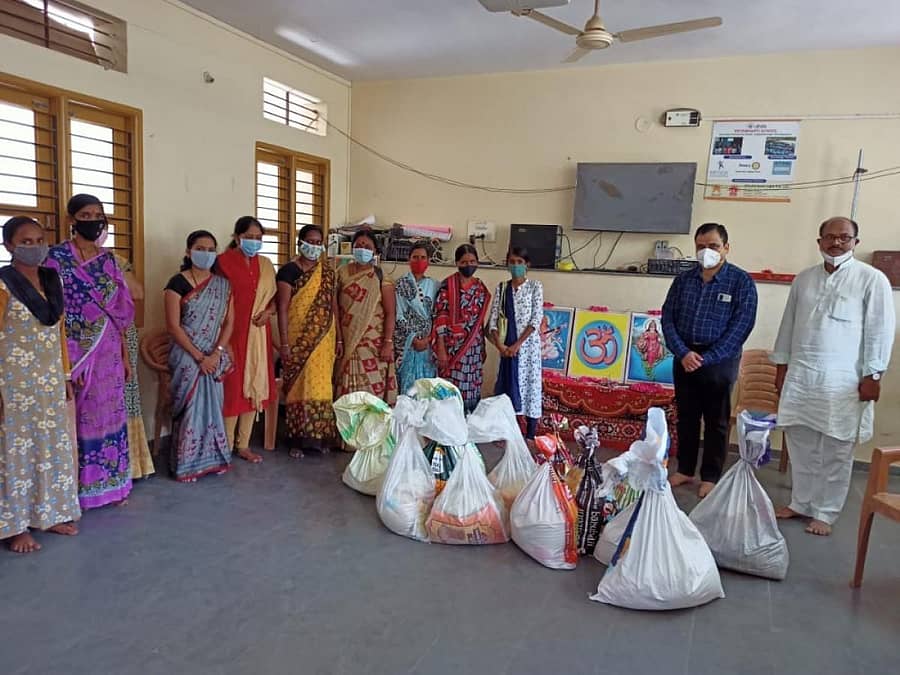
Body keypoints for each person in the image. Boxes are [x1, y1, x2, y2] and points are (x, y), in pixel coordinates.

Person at [772, 217, 895, 536]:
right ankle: (801, 502)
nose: (836, 243)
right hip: (802, 375)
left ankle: (826, 512)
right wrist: (781, 366)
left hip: (844, 381)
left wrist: (874, 374)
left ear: (855, 242)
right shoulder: (804, 279)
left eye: (844, 237)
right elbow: (788, 325)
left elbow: (881, 330)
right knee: (800, 441)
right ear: (819, 242)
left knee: (837, 447)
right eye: (829, 237)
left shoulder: (872, 279)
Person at [46, 194, 135, 509]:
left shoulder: (108, 260)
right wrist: (65, 358)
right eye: (86, 214)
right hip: (73, 348)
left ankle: (112, 485)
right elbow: (51, 308)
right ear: (72, 219)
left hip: (109, 346)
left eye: (98, 214)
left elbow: (121, 310)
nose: (93, 219)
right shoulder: (54, 258)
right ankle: (78, 491)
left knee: (110, 415)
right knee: (80, 418)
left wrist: (125, 355)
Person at [0, 217, 81, 553]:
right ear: (8, 246)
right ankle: (16, 527)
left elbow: (58, 334)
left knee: (51, 450)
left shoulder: (52, 279)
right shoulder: (3, 285)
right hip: (13, 384)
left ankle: (50, 513)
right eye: (26, 241)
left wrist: (65, 376)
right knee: (16, 454)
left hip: (48, 381)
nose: (34, 247)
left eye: (39, 240)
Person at [661, 222, 758, 498]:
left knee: (716, 421)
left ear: (726, 248)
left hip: (720, 358)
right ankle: (686, 469)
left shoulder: (741, 282)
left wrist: (708, 357)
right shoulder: (683, 280)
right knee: (687, 417)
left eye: (713, 246)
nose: (707, 252)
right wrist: (682, 352)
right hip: (685, 356)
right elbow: (667, 317)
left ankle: (711, 475)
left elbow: (742, 325)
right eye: (701, 247)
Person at [164, 231, 235, 482]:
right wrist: (198, 357)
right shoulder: (177, 283)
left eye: (210, 249)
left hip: (213, 355)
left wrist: (215, 354)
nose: (205, 253)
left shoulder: (223, 285)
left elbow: (229, 324)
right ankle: (186, 464)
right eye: (200, 248)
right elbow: (173, 326)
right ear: (188, 251)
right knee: (191, 407)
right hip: (186, 355)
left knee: (213, 406)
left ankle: (213, 458)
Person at [216, 216, 277, 464]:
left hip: (259, 334)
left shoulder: (266, 264)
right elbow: (217, 300)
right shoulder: (222, 262)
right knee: (233, 389)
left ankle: (243, 444)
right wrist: (224, 341)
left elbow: (274, 299)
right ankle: (226, 444)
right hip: (232, 333)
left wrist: (270, 312)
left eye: (258, 238)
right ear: (236, 237)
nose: (254, 241)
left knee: (255, 385)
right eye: (249, 237)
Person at [276, 224, 338, 458]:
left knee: (322, 386)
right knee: (299, 387)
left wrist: (339, 339)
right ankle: (296, 440)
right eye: (309, 241)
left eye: (318, 242)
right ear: (300, 243)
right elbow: (282, 309)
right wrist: (283, 343)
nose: (314, 246)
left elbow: (333, 308)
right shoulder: (288, 272)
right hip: (297, 337)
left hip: (325, 337)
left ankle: (319, 438)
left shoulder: (328, 273)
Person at [334, 229, 397, 405]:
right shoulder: (341, 273)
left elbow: (391, 313)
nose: (362, 249)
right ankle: (346, 432)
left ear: (375, 252)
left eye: (367, 246)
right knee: (346, 394)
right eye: (358, 245)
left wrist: (387, 343)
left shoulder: (382, 278)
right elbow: (336, 310)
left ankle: (371, 431)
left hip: (373, 345)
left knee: (371, 394)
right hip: (347, 343)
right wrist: (338, 340)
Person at [488, 247, 544, 439]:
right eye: (512, 262)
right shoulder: (502, 288)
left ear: (527, 264)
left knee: (530, 388)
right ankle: (506, 434)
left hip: (527, 349)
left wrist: (517, 345)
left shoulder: (535, 287)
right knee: (507, 388)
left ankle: (530, 435)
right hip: (506, 350)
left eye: (519, 262)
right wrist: (501, 346)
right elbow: (494, 319)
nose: (515, 266)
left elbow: (536, 319)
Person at [434, 244, 491, 413]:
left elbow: (479, 322)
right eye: (464, 262)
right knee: (450, 390)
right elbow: (441, 318)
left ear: (478, 263)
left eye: (472, 261)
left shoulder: (480, 289)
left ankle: (467, 429)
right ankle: (448, 429)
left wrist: (482, 347)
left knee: (471, 388)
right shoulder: (448, 286)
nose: (469, 265)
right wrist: (442, 348)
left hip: (473, 348)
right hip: (451, 348)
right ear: (457, 263)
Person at [114, 254, 155, 480]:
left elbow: (137, 293)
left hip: (121, 331)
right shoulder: (63, 258)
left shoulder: (113, 259)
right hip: (86, 339)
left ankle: (131, 464)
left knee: (127, 394)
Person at [393, 241, 438, 395]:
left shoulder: (435, 286)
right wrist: (414, 339)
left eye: (423, 257)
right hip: (407, 344)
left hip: (428, 345)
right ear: (409, 259)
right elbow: (398, 314)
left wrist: (428, 339)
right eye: (415, 257)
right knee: (407, 389)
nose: (419, 261)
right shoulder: (400, 284)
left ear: (429, 261)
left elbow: (438, 316)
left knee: (427, 390)